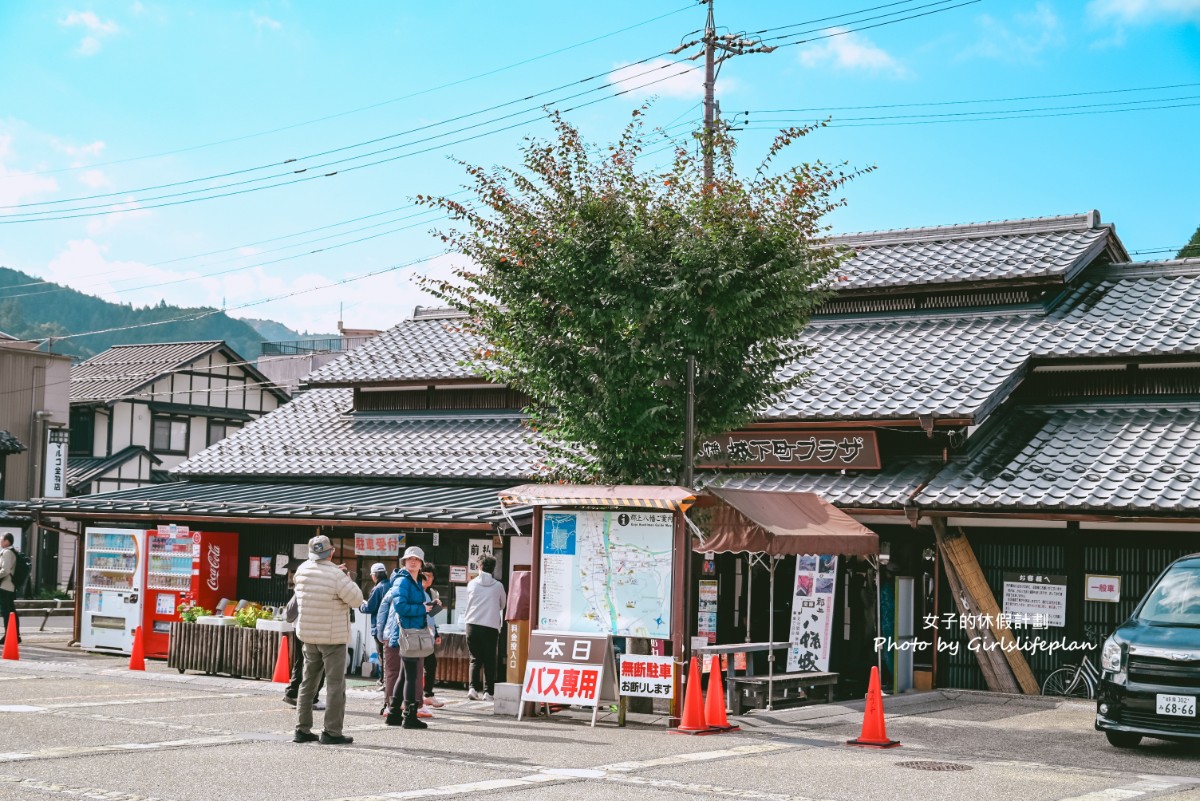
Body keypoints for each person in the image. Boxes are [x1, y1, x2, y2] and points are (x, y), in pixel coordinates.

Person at [292, 534, 364, 745]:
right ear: (331, 552)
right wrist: (346, 577)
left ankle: (302, 729)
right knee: (335, 685)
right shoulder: (336, 574)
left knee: (308, 683)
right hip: (332, 638)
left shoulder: (302, 570)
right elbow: (357, 599)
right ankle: (331, 731)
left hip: (308, 635)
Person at [385, 546, 433, 730]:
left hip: (409, 632)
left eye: (417, 559)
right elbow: (401, 607)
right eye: (409, 559)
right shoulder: (403, 581)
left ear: (421, 563)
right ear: (404, 562)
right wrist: (423, 609)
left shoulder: (413, 581)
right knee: (412, 675)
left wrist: (428, 606)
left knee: (406, 673)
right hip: (408, 632)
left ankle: (394, 713)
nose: (413, 562)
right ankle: (409, 716)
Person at [463, 554, 506, 701]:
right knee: (489, 660)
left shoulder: (472, 584)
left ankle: (472, 689)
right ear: (493, 568)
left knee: (475, 659)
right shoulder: (498, 586)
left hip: (472, 625)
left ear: (479, 567)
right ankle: (488, 692)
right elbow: (502, 605)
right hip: (490, 626)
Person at [282, 572, 323, 711]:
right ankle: (311, 698)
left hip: (298, 628)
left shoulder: (300, 586)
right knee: (315, 663)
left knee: (302, 661)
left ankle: (293, 692)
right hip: (311, 629)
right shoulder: (316, 589)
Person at [359, 562, 392, 686]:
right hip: (392, 627)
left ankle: (383, 680)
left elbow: (370, 608)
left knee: (382, 655)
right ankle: (389, 680)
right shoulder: (392, 585)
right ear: (385, 574)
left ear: (374, 576)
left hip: (379, 628)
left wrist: (361, 605)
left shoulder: (377, 588)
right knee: (391, 655)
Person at [420, 565, 445, 714]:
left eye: (430, 576)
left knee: (429, 664)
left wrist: (436, 634)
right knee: (420, 665)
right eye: (424, 575)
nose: (427, 578)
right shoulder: (416, 591)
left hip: (427, 633)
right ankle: (422, 696)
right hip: (417, 632)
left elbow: (431, 617)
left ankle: (426, 694)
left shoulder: (432, 593)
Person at [0, 534, 20, 646]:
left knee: (6, 612)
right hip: (10, 586)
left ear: (7, 541)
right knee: (11, 612)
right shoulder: (12, 551)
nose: (0, 541)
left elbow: (5, 570)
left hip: (5, 586)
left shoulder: (7, 552)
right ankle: (16, 635)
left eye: (1, 539)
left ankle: (9, 635)